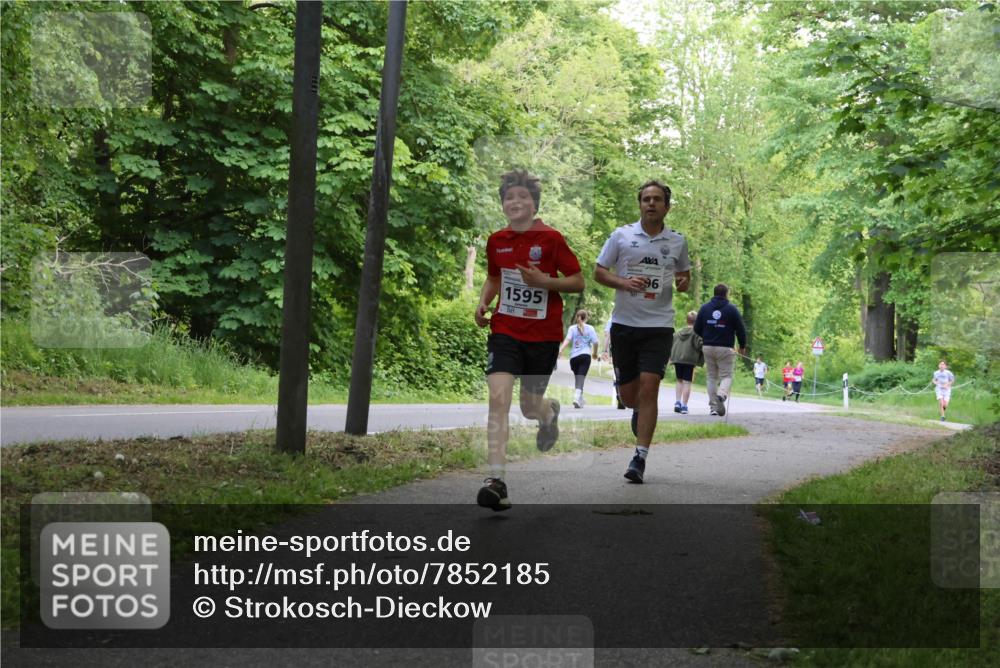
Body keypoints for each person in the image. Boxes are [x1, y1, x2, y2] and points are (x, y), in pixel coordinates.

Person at [474, 169, 584, 511]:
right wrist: (482, 302)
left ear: (533, 204)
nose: (515, 202)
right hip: (505, 331)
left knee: (527, 407)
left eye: (523, 197)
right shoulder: (497, 241)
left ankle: (548, 414)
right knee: (498, 400)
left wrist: (544, 281)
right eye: (510, 197)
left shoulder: (551, 238)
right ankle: (497, 481)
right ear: (503, 204)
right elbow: (495, 277)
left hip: (543, 336)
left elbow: (578, 281)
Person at [594, 180, 691, 483]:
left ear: (667, 206)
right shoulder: (621, 236)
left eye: (657, 199)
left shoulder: (677, 241)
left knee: (651, 387)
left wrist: (683, 282)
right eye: (646, 199)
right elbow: (598, 271)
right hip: (625, 324)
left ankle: (639, 458)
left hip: (659, 326)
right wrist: (623, 283)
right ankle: (636, 408)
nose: (651, 203)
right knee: (631, 395)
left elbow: (684, 274)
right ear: (640, 204)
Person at [693, 283, 747, 416]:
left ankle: (713, 407)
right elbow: (741, 329)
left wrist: (706, 336)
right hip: (725, 348)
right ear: (726, 294)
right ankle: (721, 395)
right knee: (726, 375)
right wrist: (742, 346)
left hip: (708, 346)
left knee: (711, 377)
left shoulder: (705, 308)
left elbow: (696, 328)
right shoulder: (732, 309)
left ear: (714, 293)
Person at [559, 309, 599, 408]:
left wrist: (560, 350)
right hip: (585, 356)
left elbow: (567, 340)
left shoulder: (572, 328)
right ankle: (576, 398)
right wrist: (594, 353)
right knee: (581, 378)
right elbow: (596, 342)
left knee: (578, 378)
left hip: (574, 358)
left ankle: (580, 399)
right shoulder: (590, 328)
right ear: (586, 318)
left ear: (577, 317)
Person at [669, 311, 702, 415]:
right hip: (689, 360)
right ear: (696, 322)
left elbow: (672, 343)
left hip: (677, 359)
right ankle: (684, 406)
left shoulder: (678, 333)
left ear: (687, 320)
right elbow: (700, 345)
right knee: (687, 382)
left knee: (679, 381)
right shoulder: (696, 333)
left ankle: (677, 403)